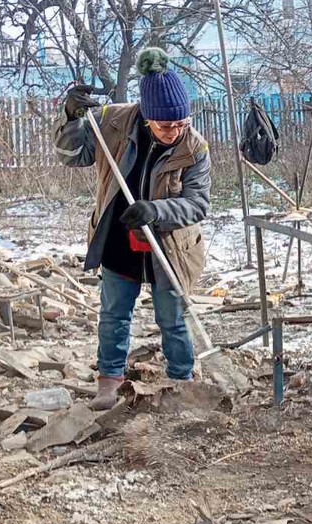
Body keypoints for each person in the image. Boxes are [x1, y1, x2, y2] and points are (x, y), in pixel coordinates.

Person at [55, 47, 211, 411]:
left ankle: (182, 381)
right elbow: (70, 155)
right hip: (118, 238)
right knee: (114, 313)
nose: (174, 132)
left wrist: (155, 210)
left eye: (181, 123)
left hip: (170, 245)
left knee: (171, 318)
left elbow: (198, 204)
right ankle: (109, 380)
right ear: (146, 117)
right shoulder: (112, 122)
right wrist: (72, 117)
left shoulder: (195, 147)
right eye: (165, 125)